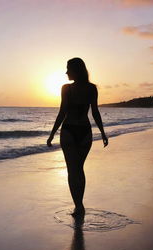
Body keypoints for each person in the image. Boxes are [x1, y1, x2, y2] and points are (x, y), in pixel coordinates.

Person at [47, 57, 108, 216]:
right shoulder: (91, 88)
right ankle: (79, 205)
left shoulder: (66, 88)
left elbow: (62, 113)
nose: (66, 72)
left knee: (73, 171)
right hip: (85, 132)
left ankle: (78, 206)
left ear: (76, 70)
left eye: (68, 68)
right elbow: (94, 112)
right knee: (78, 170)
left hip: (69, 131)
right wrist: (102, 133)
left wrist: (52, 134)